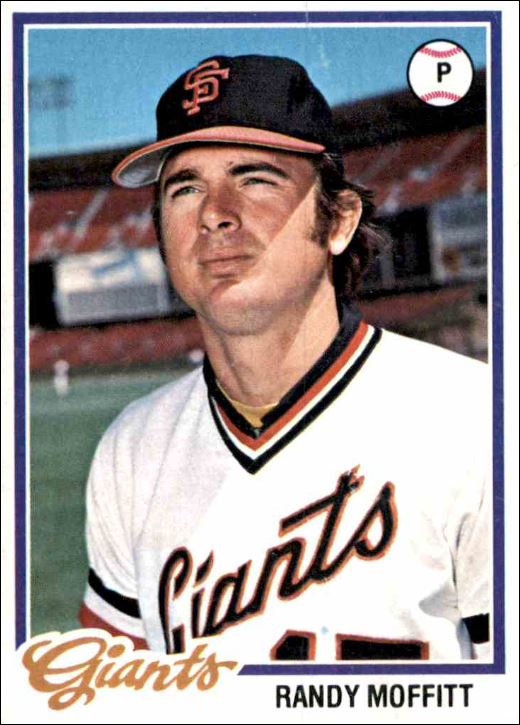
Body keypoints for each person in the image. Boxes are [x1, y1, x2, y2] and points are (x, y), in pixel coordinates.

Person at [80, 55, 491, 661]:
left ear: (339, 221)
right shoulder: (132, 448)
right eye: (185, 188)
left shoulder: (477, 419)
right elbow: (109, 689)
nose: (215, 214)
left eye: (255, 179)